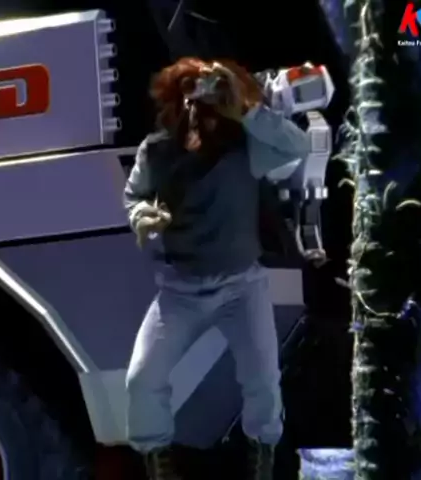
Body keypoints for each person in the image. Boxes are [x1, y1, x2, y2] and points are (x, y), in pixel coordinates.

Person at [123, 58, 311, 480]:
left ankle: (262, 460)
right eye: (188, 95)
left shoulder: (245, 145)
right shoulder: (157, 150)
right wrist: (141, 216)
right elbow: (134, 196)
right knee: (142, 379)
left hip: (241, 287)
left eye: (207, 97)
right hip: (180, 291)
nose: (196, 109)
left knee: (263, 382)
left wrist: (247, 110)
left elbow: (297, 146)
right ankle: (157, 462)